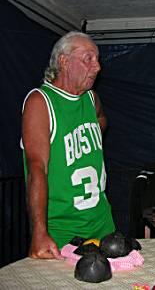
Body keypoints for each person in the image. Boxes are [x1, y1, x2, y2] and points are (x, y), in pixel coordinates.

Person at [21, 31, 115, 259]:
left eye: (97, 60)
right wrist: (39, 233)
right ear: (63, 61)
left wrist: (87, 141)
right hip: (63, 234)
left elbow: (102, 119)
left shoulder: (91, 99)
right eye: (88, 59)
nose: (97, 67)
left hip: (102, 225)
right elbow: (36, 169)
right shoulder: (41, 102)